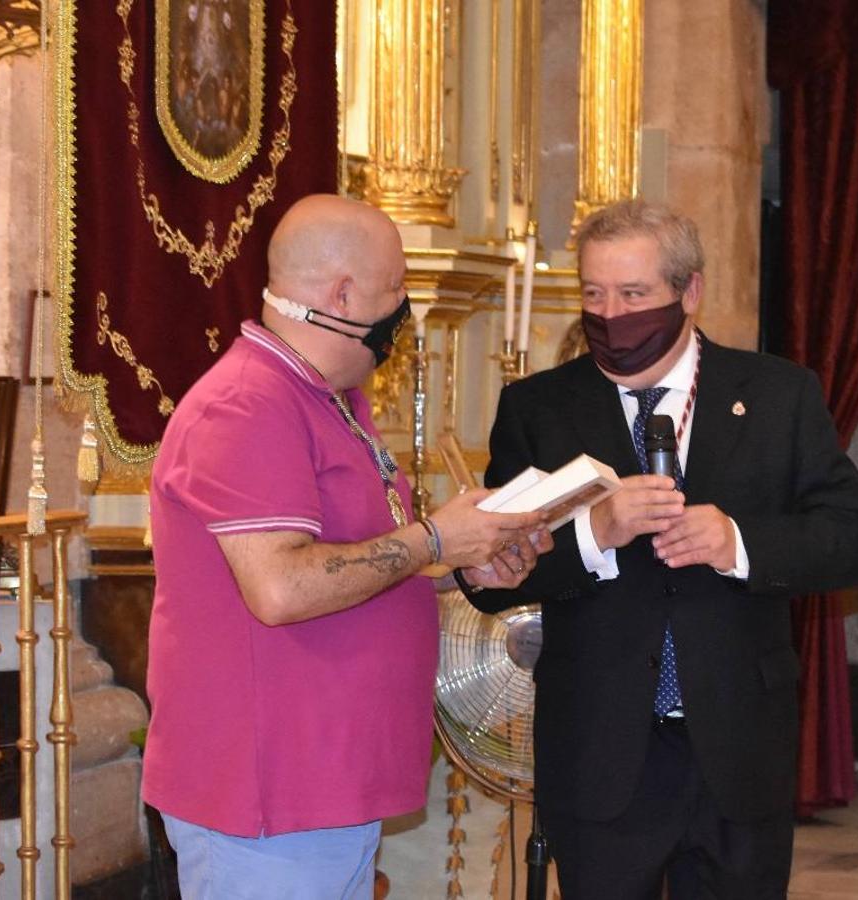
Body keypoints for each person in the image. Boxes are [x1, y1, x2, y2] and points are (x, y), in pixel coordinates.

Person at [460, 200, 858, 899]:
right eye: (592, 294)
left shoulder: (781, 396)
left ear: (690, 292)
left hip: (739, 752)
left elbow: (856, 543)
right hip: (599, 758)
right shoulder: (539, 408)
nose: (610, 314)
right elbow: (488, 580)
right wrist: (594, 536)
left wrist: (738, 542)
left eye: (633, 295)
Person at [142, 194, 551, 899]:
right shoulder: (248, 405)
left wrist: (459, 563)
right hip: (268, 793)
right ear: (343, 295)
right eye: (396, 289)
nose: (403, 309)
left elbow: (352, 564)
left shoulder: (327, 400)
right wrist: (433, 539)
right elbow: (281, 588)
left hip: (327, 781)